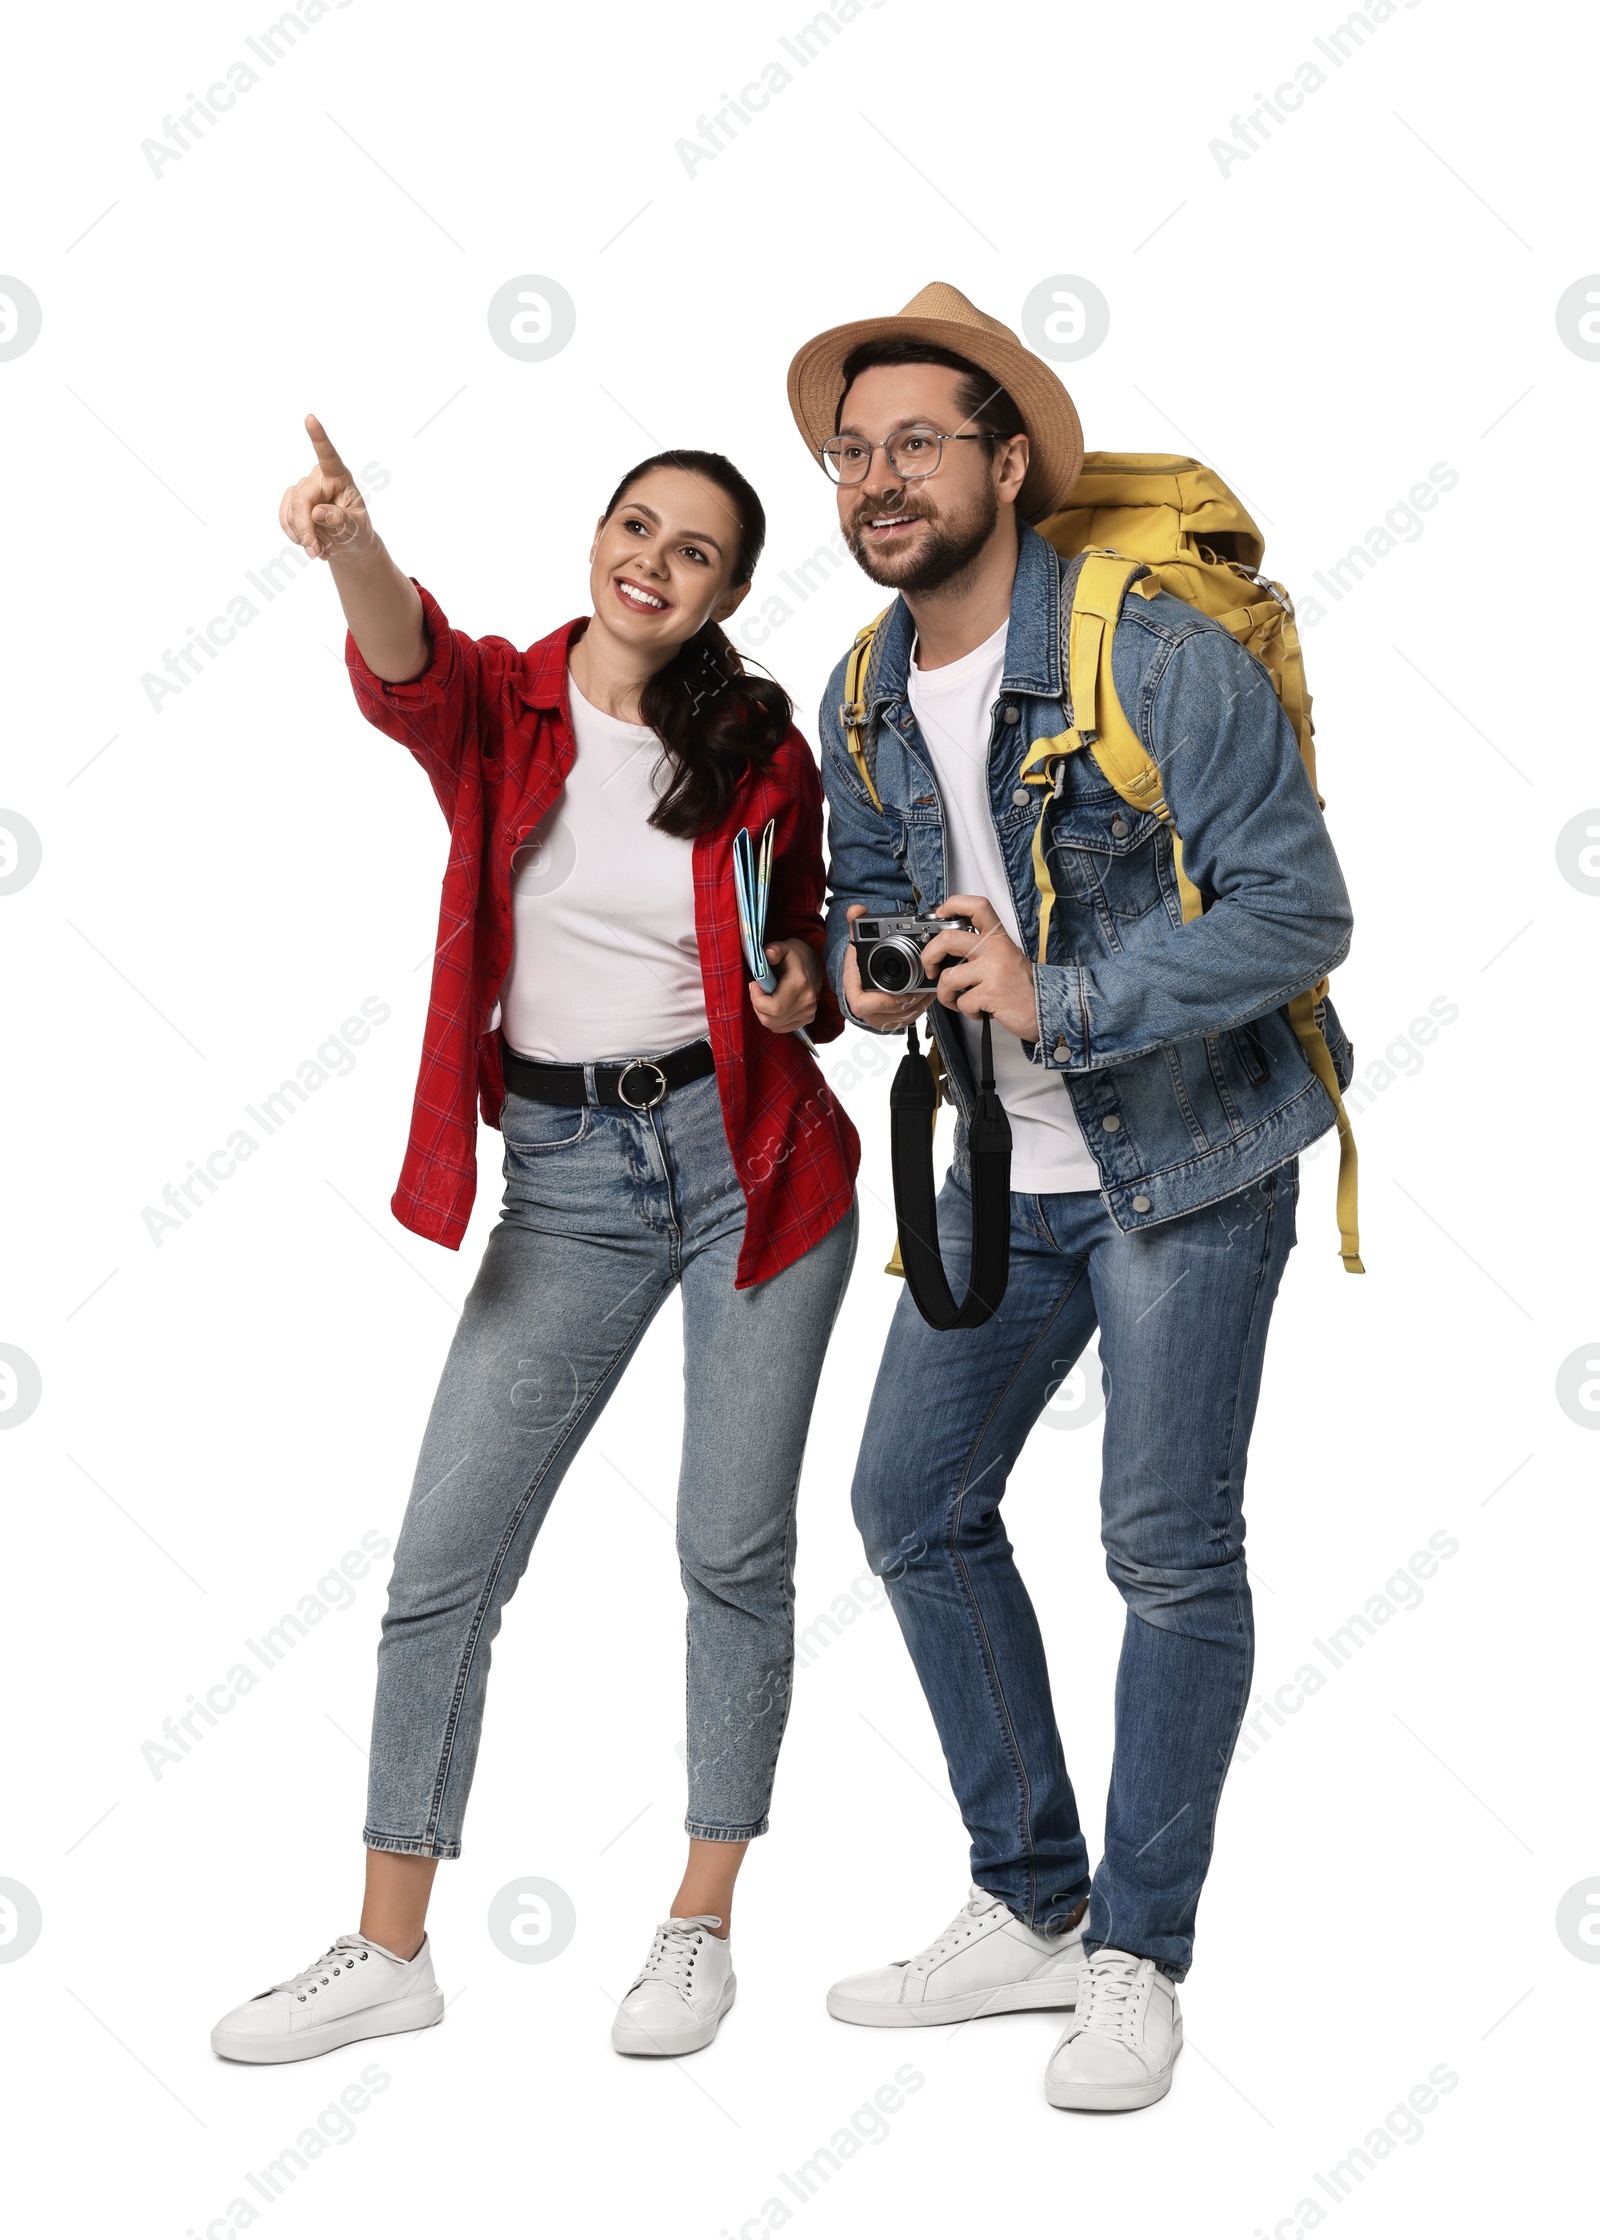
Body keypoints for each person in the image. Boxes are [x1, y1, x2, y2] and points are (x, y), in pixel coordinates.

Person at [210, 420, 859, 2066]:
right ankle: (388, 1949)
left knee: (728, 1548)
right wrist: (348, 540)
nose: (653, 558)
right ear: (597, 537)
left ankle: (700, 1922)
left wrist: (800, 985)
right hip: (568, 1175)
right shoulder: (504, 704)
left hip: (752, 1163)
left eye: (694, 548)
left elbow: (804, 955)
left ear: (725, 592)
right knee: (444, 1566)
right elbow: (402, 659)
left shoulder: (761, 745)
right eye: (635, 525)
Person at [791, 284, 1355, 2111]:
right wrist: (874, 974)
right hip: (1000, 1175)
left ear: (1008, 463)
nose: (879, 480)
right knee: (908, 1501)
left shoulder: (1157, 647)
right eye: (854, 452)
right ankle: (1032, 1904)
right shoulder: (862, 686)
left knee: (1164, 1551)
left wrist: (1062, 994)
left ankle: (1137, 1951)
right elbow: (877, 890)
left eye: (917, 444)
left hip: (1185, 1165)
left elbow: (1299, 916)